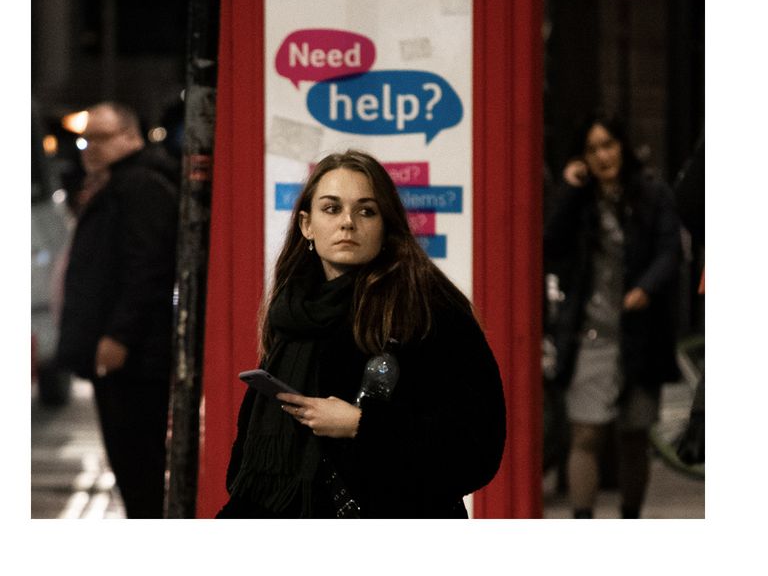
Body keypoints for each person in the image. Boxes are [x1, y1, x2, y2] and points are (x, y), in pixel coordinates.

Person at [216, 149, 506, 519]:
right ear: (307, 224)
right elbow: (250, 463)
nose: (348, 223)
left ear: (385, 225)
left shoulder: (429, 308)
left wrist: (360, 426)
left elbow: (476, 449)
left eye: (366, 210)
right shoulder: (292, 313)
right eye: (331, 208)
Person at [543, 114, 680, 518]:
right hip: (591, 332)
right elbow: (550, 242)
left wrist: (646, 288)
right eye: (592, 149)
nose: (602, 155)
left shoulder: (653, 194)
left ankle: (629, 519)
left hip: (640, 331)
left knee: (634, 435)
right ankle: (583, 520)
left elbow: (670, 250)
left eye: (608, 145)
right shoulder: (580, 200)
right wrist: (569, 188)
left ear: (622, 146)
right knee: (585, 432)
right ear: (582, 157)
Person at [56, 101, 179, 518]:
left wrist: (118, 336)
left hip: (136, 359)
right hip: (130, 356)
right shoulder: (122, 182)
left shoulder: (140, 184)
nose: (89, 147)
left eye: (101, 137)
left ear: (131, 135)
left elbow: (148, 267)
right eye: (85, 138)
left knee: (139, 469)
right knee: (133, 470)